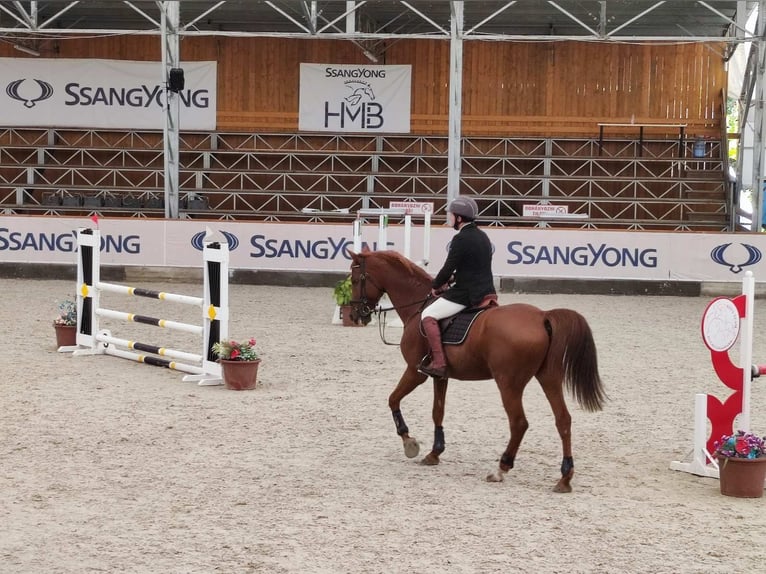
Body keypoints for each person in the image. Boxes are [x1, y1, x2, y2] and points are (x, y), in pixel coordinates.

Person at [418, 196, 496, 378]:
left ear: (459, 218)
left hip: (467, 293)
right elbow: (472, 267)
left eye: (451, 215)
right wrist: (452, 279)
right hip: (487, 290)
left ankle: (439, 363)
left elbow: (448, 267)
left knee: (427, 315)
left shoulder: (460, 239)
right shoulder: (483, 236)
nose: (450, 218)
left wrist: (436, 285)